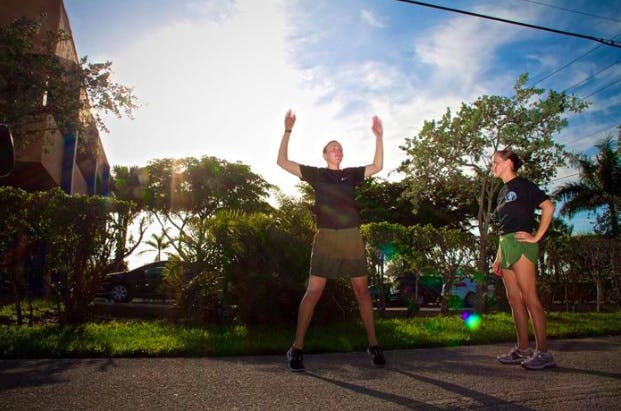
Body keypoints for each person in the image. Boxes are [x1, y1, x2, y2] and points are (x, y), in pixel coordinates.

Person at [277, 109, 385, 372]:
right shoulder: (317, 174)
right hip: (325, 236)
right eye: (332, 148)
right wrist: (288, 130)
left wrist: (379, 137)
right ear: (325, 155)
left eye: (339, 147)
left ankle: (373, 345)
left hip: (350, 237)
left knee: (361, 291)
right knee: (314, 291)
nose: (337, 149)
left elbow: (378, 166)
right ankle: (297, 347)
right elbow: (282, 162)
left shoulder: (351, 174)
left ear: (342, 155)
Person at [491, 149, 556, 370]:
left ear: (508, 163)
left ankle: (544, 353)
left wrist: (536, 236)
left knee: (529, 297)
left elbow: (548, 207)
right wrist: (499, 256)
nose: (493, 166)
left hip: (522, 243)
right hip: (506, 245)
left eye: (495, 162)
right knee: (514, 299)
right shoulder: (502, 191)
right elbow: (503, 226)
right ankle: (522, 349)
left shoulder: (524, 186)